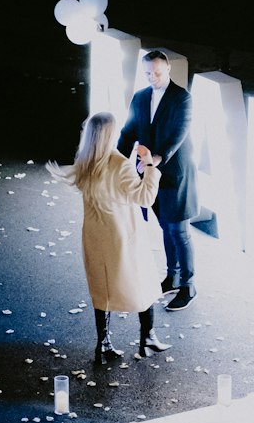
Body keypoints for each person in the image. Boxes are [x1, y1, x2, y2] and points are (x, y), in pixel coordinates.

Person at [47, 112, 172, 361]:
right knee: (143, 283)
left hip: (95, 234)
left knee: (101, 287)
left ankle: (103, 343)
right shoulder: (119, 164)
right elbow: (145, 198)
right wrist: (148, 165)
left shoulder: (86, 163)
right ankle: (147, 339)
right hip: (123, 235)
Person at [117, 48, 200, 310]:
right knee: (165, 225)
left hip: (175, 174)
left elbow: (178, 134)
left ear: (168, 70)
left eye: (157, 72)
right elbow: (129, 130)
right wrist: (114, 162)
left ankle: (188, 285)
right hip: (150, 174)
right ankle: (172, 276)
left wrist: (157, 159)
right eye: (147, 73)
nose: (152, 77)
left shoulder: (182, 98)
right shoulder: (140, 97)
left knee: (179, 230)